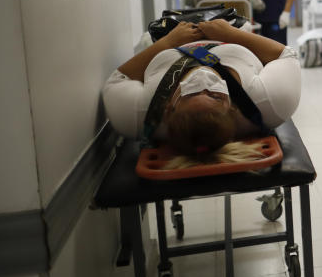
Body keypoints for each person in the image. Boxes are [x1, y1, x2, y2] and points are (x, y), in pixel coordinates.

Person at [102, 19, 300, 167]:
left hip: (173, 40)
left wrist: (167, 42)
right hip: (229, 36)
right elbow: (286, 55)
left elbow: (117, 79)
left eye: (189, 94)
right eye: (216, 95)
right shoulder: (268, 103)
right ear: (233, 108)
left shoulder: (137, 114)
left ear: (168, 107)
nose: (203, 80)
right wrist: (231, 33)